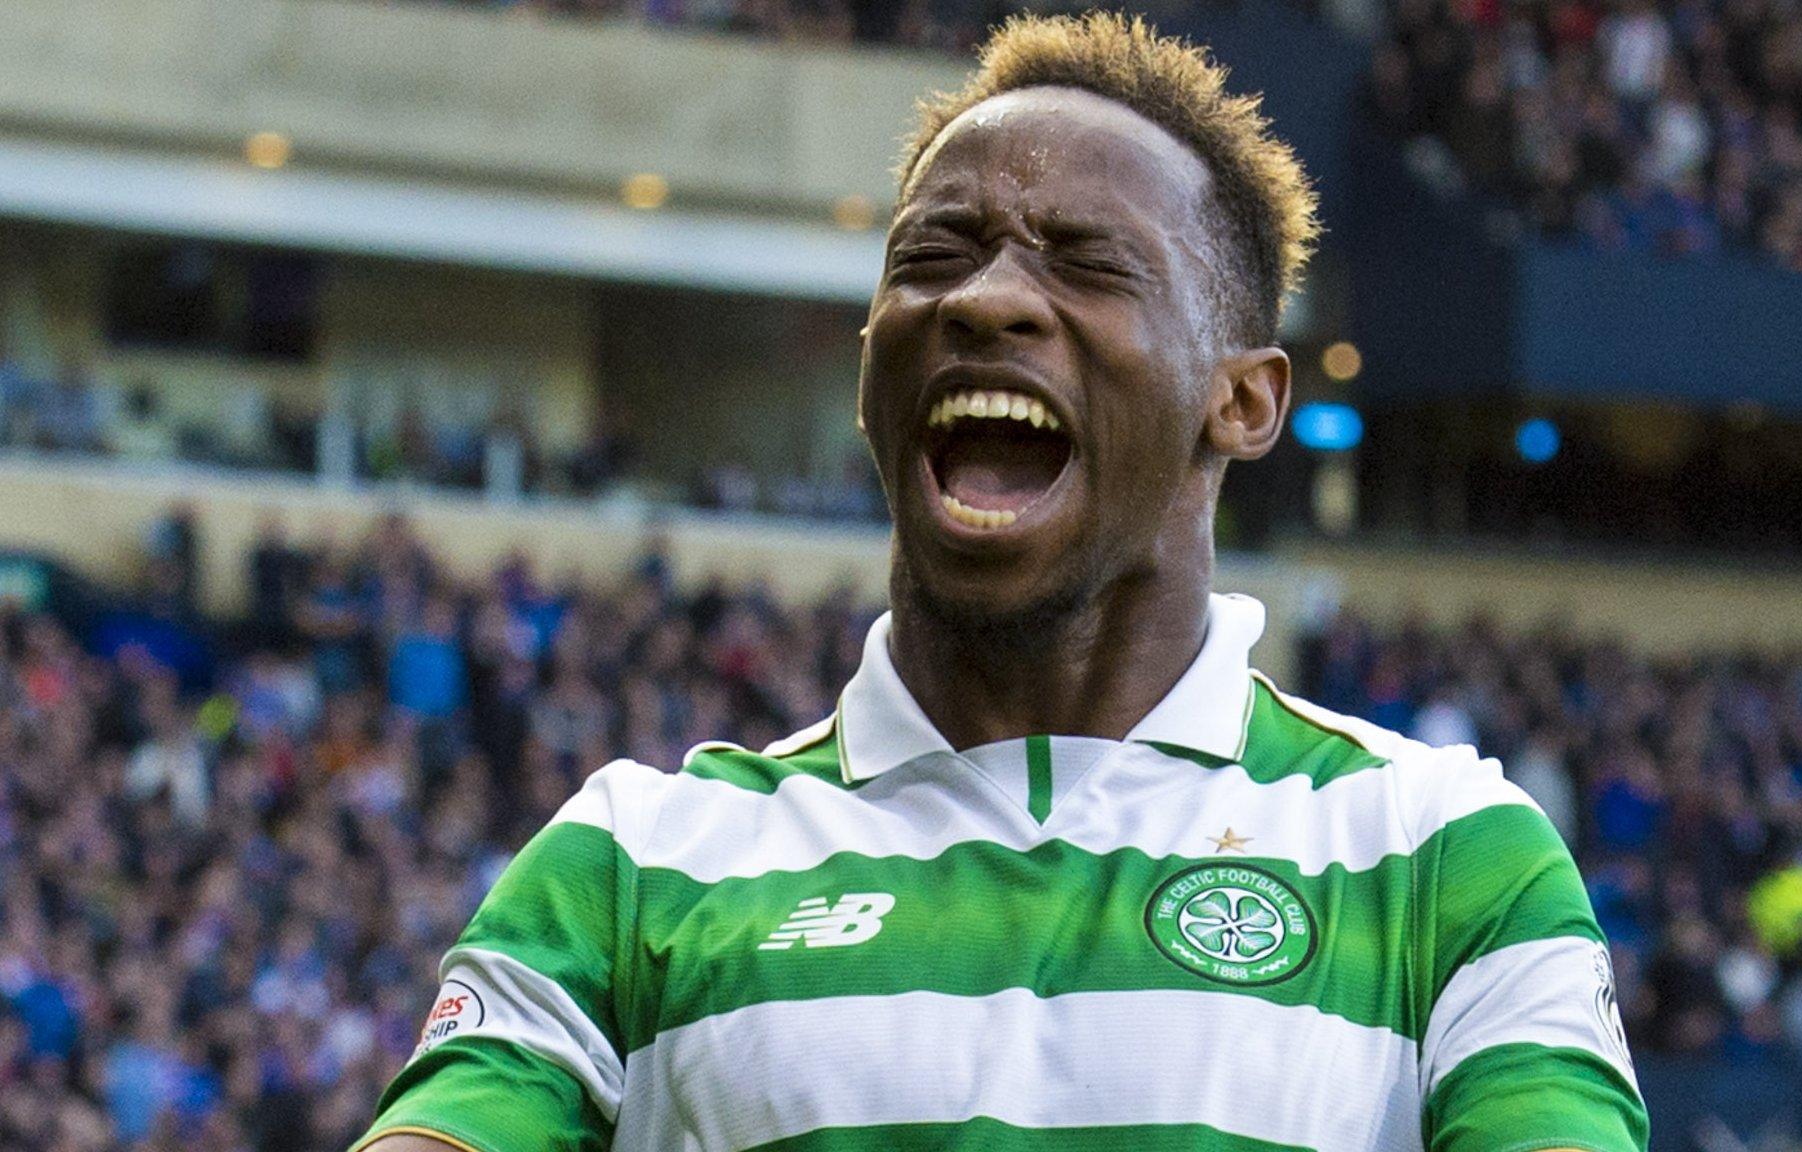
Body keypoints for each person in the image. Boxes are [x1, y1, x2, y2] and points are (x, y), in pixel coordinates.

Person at [354, 13, 1647, 1152]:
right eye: (933, 256)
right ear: (870, 365)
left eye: (1086, 264)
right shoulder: (636, 864)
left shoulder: (1442, 858)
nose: (984, 300)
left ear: (1242, 399)